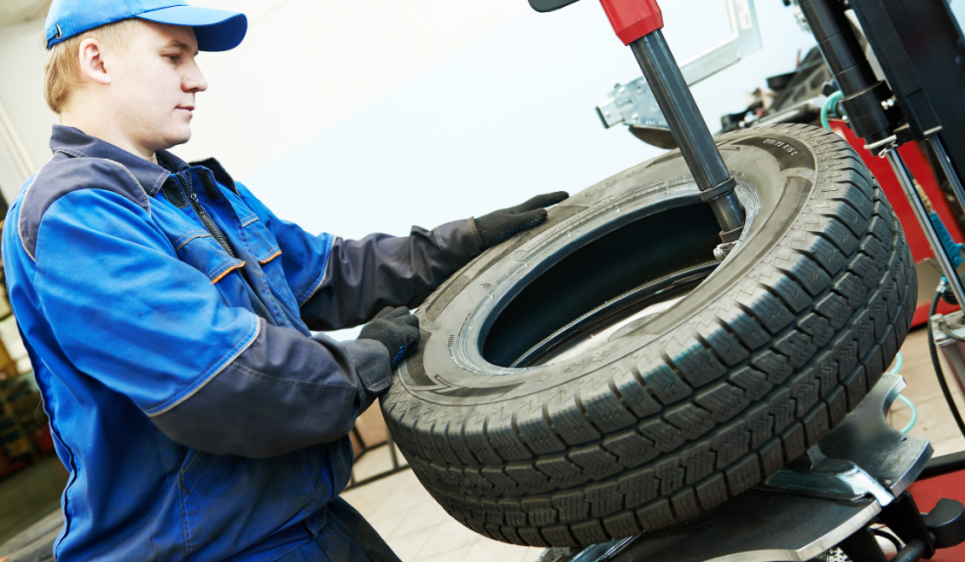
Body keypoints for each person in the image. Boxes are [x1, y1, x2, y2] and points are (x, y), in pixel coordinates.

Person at [1, 1, 567, 560]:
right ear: (97, 61)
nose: (198, 80)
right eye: (174, 56)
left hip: (298, 520)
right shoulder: (73, 214)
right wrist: (367, 359)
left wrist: (462, 240)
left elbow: (324, 274)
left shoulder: (192, 191)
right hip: (208, 551)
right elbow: (223, 381)